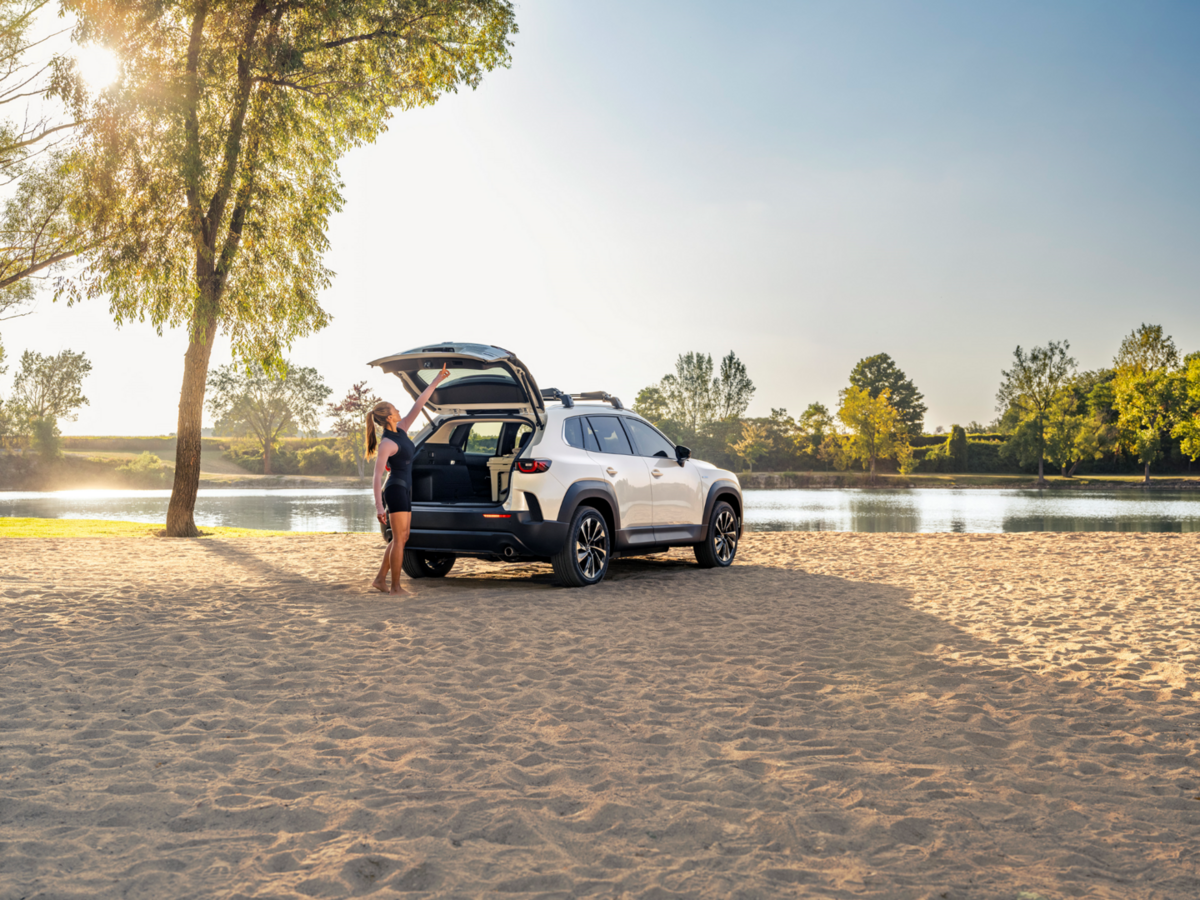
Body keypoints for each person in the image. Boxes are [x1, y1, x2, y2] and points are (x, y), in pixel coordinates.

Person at [367, 365, 450, 594]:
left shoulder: (402, 430)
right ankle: (395, 586)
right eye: (395, 408)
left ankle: (380, 580)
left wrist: (436, 380)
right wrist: (379, 506)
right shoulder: (386, 443)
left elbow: (419, 404)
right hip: (394, 489)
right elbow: (377, 476)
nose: (399, 410)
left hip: (405, 489)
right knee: (400, 538)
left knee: (402, 536)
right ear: (389, 416)